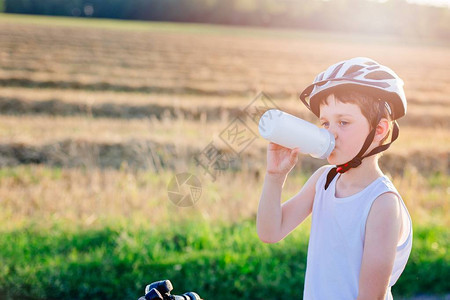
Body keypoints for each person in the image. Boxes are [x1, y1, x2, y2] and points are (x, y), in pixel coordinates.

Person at [256, 57, 413, 300]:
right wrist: (275, 176)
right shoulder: (324, 180)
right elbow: (270, 232)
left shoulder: (382, 203)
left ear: (379, 130)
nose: (330, 133)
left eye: (343, 122)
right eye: (325, 122)